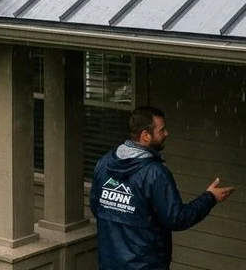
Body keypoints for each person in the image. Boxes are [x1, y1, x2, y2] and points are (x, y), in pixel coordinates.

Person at [91, 106, 234, 270]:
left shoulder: (104, 164)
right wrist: (210, 198)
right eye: (162, 130)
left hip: (110, 264)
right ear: (145, 136)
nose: (167, 134)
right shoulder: (154, 173)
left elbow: (97, 207)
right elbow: (176, 218)